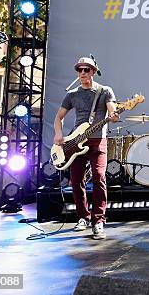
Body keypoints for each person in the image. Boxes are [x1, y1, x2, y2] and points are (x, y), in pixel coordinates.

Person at [53, 57, 119, 239]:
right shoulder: (72, 94)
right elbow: (59, 117)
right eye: (80, 70)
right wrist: (58, 134)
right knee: (75, 181)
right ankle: (83, 216)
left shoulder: (104, 91)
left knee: (99, 177)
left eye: (86, 70)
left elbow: (112, 109)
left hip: (97, 140)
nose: (82, 73)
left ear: (93, 72)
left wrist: (114, 114)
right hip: (75, 142)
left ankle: (98, 221)